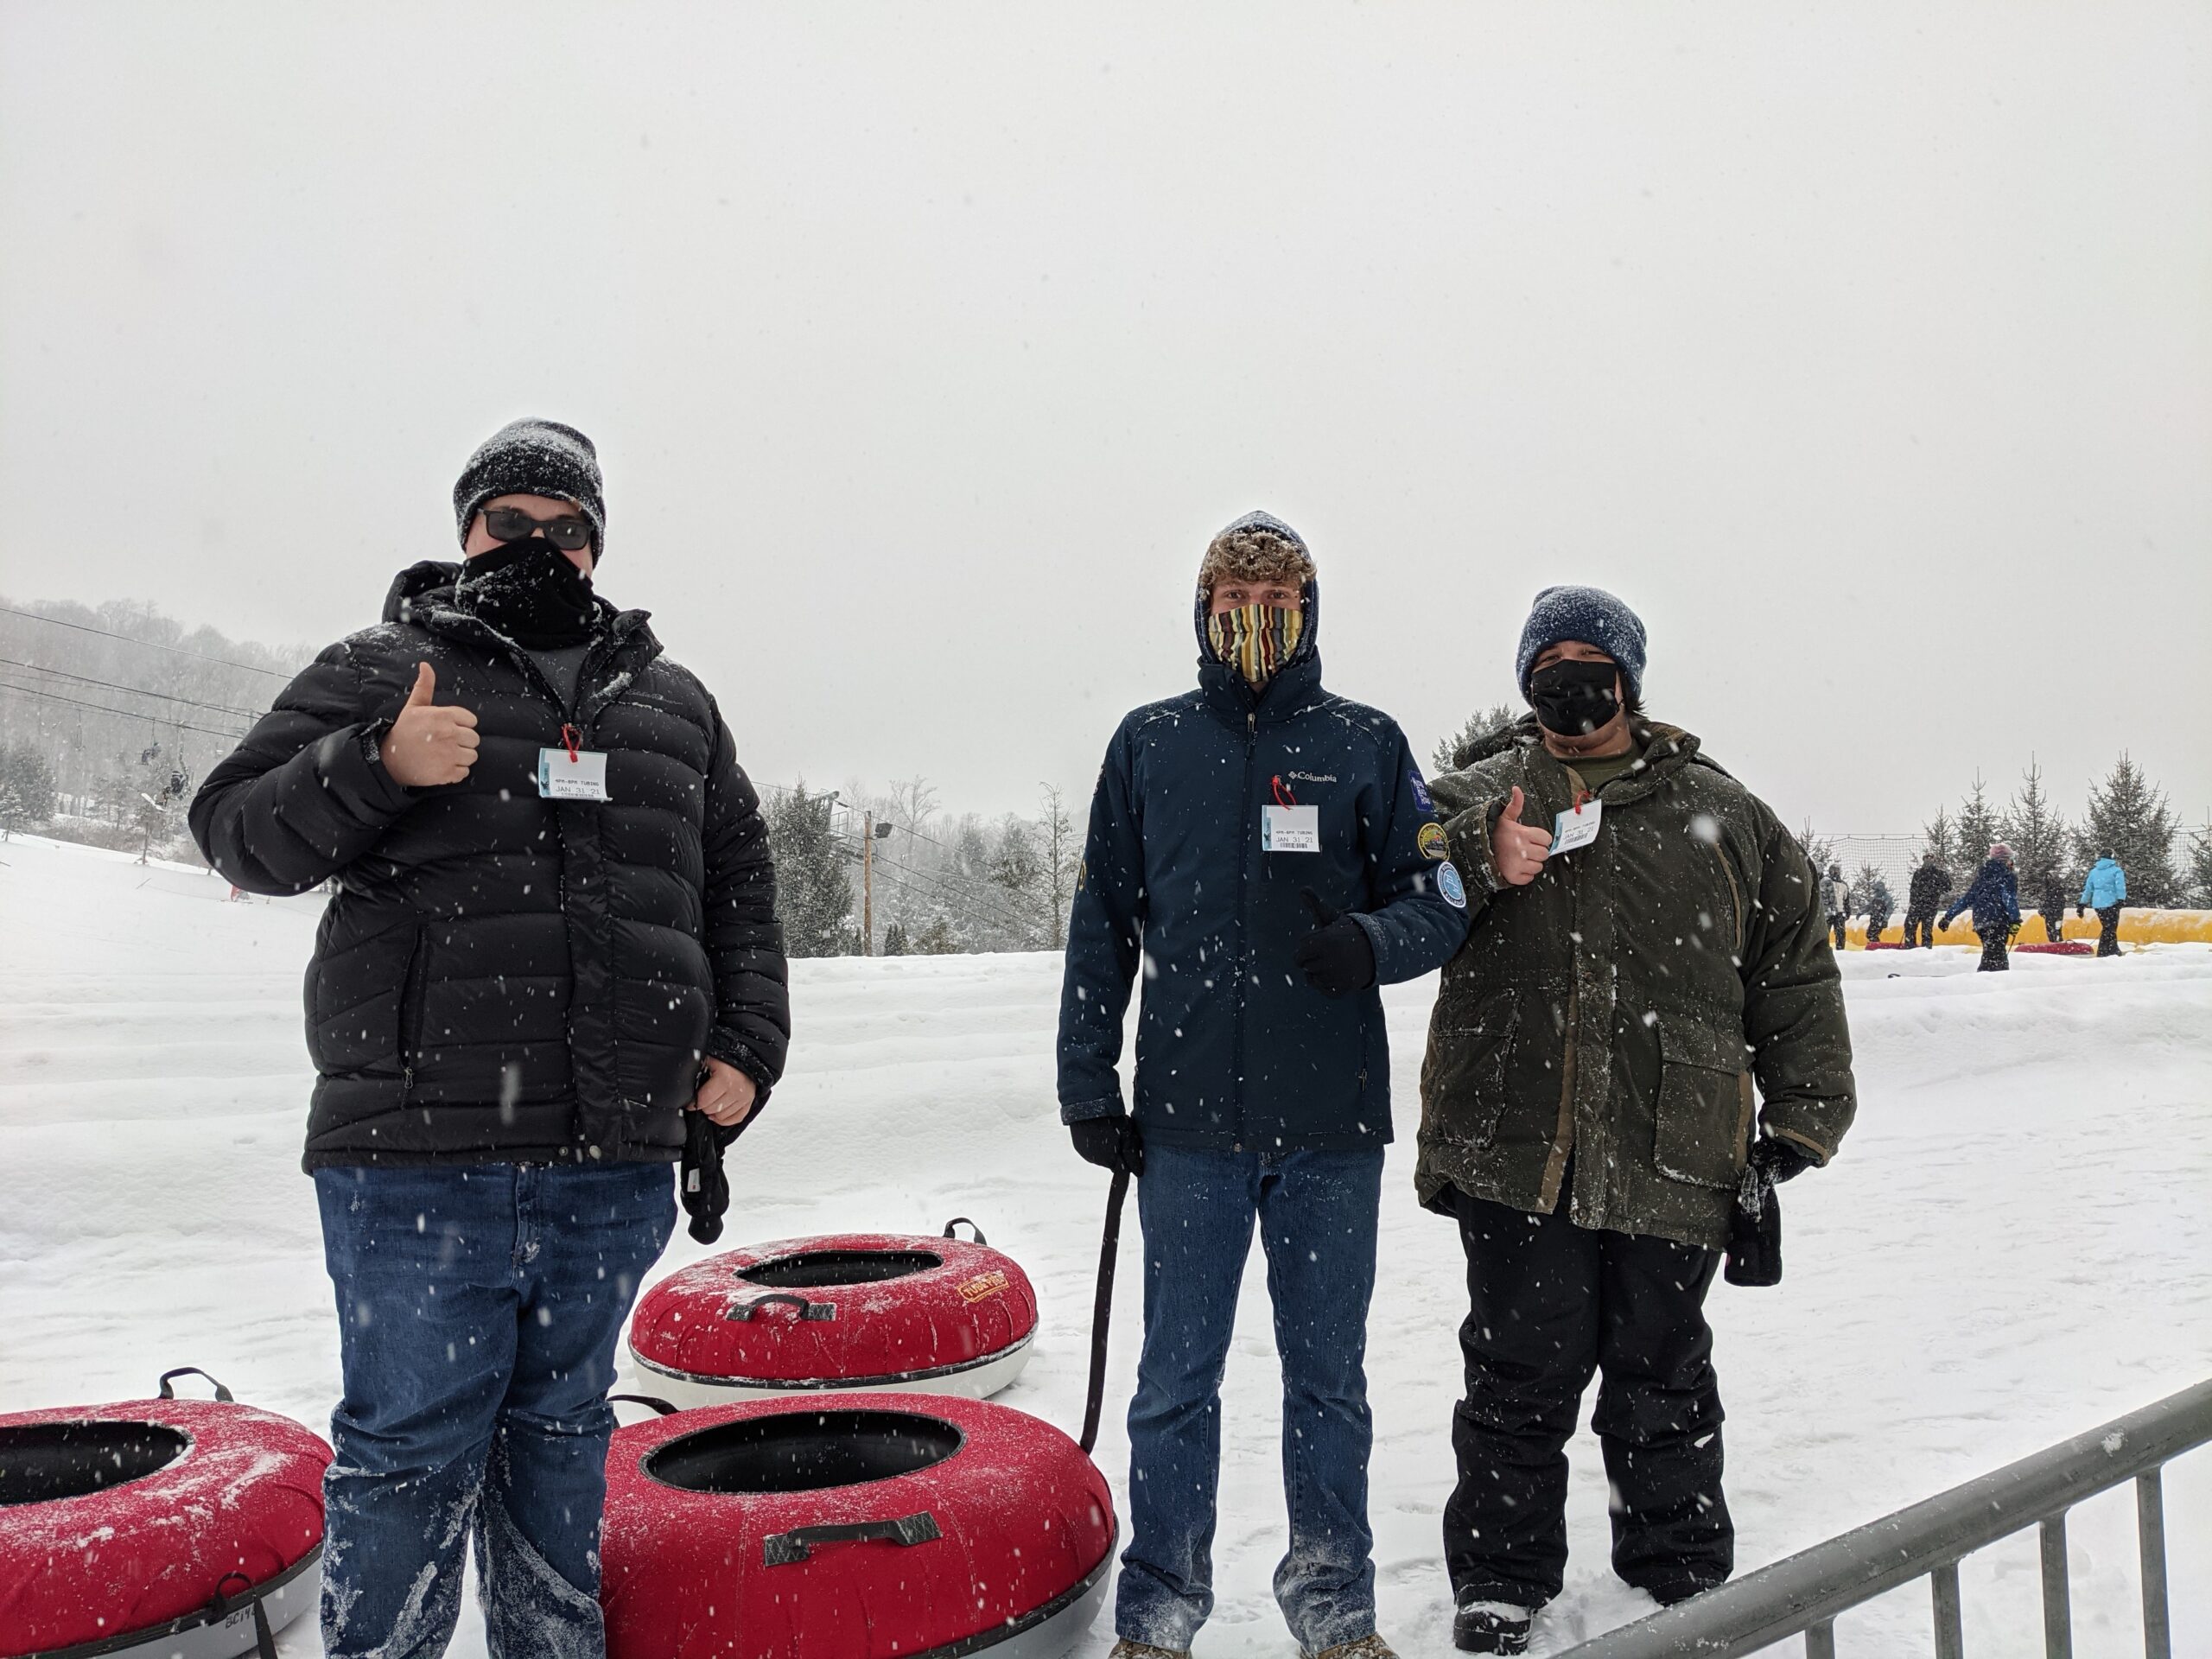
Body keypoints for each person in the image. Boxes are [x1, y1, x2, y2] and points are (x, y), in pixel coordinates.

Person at [190, 418, 791, 1659]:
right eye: (508, 521)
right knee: (409, 1455)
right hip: (419, 1154)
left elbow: (737, 882)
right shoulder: (380, 666)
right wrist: (375, 763)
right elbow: (238, 830)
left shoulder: (673, 703)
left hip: (614, 1155)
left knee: (563, 1438)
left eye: (566, 529)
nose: (538, 545)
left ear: (598, 544)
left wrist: (747, 1042)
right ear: (465, 530)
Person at [1058, 511, 1468, 1659]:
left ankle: (1335, 1608)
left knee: (1327, 1382)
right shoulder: (1149, 745)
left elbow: (1442, 907)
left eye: (1278, 600)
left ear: (1311, 610)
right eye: (1234, 601)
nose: (1256, 620)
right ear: (1203, 612)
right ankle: (1159, 1613)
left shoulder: (1366, 743)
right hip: (1186, 1128)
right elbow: (1103, 923)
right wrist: (1087, 1080)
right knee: (1174, 1386)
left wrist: (1370, 944)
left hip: (1331, 1131)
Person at [1415, 587, 1855, 1655]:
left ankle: (1680, 1569)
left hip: (1675, 1138)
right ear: (1526, 678)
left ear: (1628, 678)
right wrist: (1477, 847)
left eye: (1590, 660)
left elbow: (1792, 967)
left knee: (1663, 1371)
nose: (1570, 680)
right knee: (1517, 1369)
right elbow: (1393, 883)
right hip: (1518, 1142)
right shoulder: (1476, 796)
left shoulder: (1723, 810)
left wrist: (1798, 1123)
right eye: (1549, 660)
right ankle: (1502, 1579)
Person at [1942, 842, 2021, 972]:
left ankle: (1990, 980)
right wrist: (2015, 919)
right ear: (2006, 860)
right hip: (1998, 920)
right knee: (1997, 958)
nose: (2012, 863)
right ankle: (1988, 983)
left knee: (1991, 953)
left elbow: (1967, 899)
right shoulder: (2008, 876)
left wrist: (1948, 917)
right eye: (2011, 860)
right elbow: (2008, 897)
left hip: (1981, 922)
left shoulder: (1982, 877)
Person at [2080, 852, 2127, 957]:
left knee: (2107, 927)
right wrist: (2121, 899)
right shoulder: (2116, 871)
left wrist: (2082, 903)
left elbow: (2088, 889)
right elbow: (2120, 886)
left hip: (2098, 903)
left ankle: (2112, 950)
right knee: (2110, 928)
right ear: (2112, 857)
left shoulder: (2094, 872)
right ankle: (2105, 951)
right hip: (2112, 902)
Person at [1904, 851, 1950, 949]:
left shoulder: (1940, 873)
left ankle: (1926, 949)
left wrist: (1935, 890)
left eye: (1930, 858)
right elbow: (1913, 889)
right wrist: (1913, 902)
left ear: (1934, 860)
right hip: (1917, 905)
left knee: (1926, 930)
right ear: (1924, 860)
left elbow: (1948, 887)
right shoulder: (1918, 873)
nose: (1928, 860)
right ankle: (1910, 947)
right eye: (1926, 858)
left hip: (1930, 906)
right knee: (1910, 926)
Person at [1820, 861, 1851, 950]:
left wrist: (1848, 911)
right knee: (1825, 932)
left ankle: (1840, 949)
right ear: (1830, 871)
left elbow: (1846, 899)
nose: (1836, 872)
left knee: (1840, 932)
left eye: (1837, 870)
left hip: (1839, 912)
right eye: (1834, 870)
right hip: (1828, 911)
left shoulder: (1844, 885)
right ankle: (1823, 949)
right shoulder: (1826, 882)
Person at [2039, 870, 2069, 945]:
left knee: (2056, 929)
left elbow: (2059, 902)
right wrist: (2043, 909)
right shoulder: (2048, 889)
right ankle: (2055, 942)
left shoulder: (2058, 889)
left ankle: (2056, 942)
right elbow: (2045, 900)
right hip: (2051, 912)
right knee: (2052, 929)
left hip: (2055, 912)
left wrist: (2045, 909)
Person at [1864, 874, 1896, 945]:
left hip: (1880, 919)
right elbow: (1869, 906)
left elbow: (1890, 909)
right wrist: (1861, 912)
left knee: (1874, 934)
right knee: (1869, 934)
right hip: (1874, 918)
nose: (1875, 891)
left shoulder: (1887, 898)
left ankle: (1875, 946)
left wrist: (1885, 919)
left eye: (1876, 890)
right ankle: (1874, 945)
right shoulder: (1875, 897)